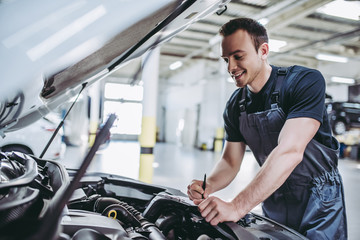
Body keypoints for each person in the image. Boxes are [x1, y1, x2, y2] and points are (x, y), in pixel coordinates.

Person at [187, 18, 347, 239]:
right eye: (226, 59)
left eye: (238, 56)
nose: (231, 67)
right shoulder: (236, 105)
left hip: (318, 199)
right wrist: (209, 185)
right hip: (272, 192)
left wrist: (237, 206)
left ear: (263, 51)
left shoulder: (304, 82)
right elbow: (230, 161)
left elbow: (290, 151)